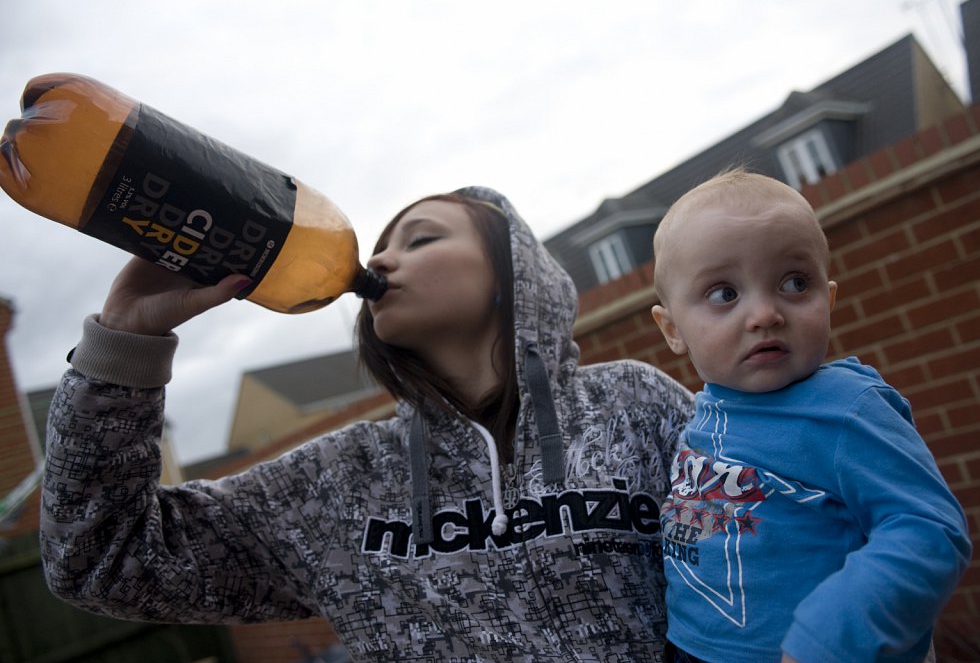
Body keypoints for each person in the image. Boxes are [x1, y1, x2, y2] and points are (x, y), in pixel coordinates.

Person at [40, 186, 696, 661]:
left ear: (512, 275)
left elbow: (774, 541)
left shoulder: (633, 407)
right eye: (380, 247)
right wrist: (127, 339)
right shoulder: (342, 480)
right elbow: (103, 559)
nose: (379, 262)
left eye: (422, 238)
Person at [649, 170, 971, 663]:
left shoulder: (846, 408)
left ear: (830, 298)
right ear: (672, 329)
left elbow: (928, 530)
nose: (764, 313)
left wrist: (827, 638)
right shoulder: (705, 412)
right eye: (724, 294)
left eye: (795, 283)